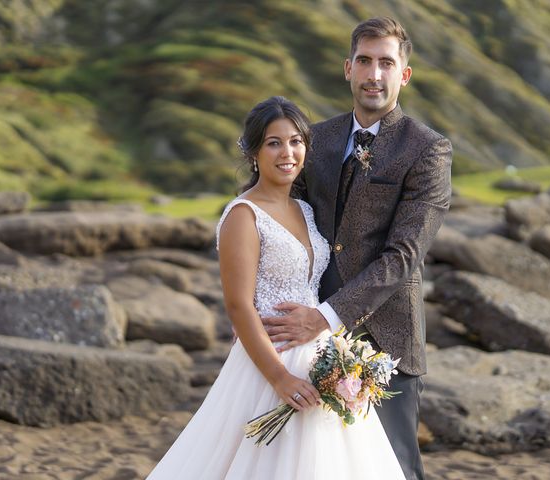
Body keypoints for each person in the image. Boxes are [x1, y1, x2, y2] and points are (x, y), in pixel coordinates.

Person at [145, 96, 405, 479]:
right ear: (254, 152)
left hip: (320, 357)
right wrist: (279, 377)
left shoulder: (304, 209)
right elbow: (238, 306)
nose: (288, 152)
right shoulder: (242, 215)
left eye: (296, 141)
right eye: (274, 142)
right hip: (270, 365)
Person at [263, 17, 453, 480]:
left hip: (388, 343)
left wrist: (326, 317)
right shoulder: (316, 140)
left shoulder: (428, 149)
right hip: (306, 340)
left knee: (393, 469)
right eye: (364, 61)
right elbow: (284, 225)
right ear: (348, 68)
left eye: (386, 63)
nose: (374, 74)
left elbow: (404, 255)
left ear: (403, 74)